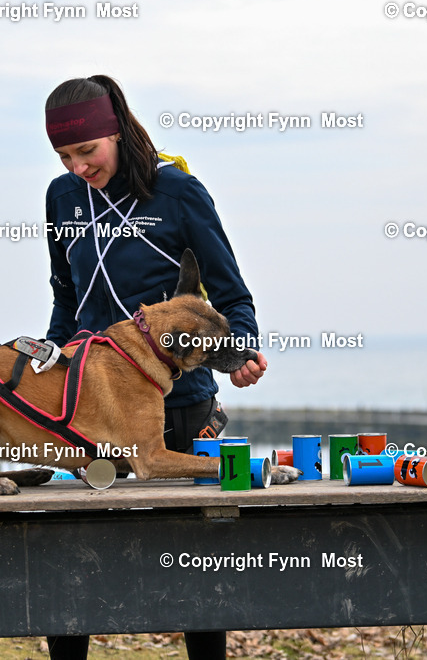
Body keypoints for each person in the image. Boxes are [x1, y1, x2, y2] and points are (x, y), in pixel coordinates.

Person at [42, 75, 266, 660]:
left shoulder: (178, 192)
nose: (77, 167)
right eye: (64, 156)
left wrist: (240, 352)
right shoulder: (62, 198)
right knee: (75, 567)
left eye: (86, 151)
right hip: (89, 404)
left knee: (196, 568)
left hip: (180, 397)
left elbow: (232, 297)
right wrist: (42, 368)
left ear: (116, 128)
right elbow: (67, 303)